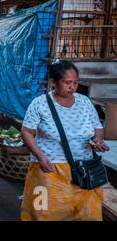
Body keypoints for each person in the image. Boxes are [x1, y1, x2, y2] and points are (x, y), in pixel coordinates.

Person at [20, 60, 109, 221]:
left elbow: (98, 128)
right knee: (45, 212)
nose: (72, 87)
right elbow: (26, 132)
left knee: (87, 213)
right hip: (50, 170)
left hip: (85, 171)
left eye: (75, 82)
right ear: (54, 82)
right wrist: (41, 158)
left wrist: (97, 141)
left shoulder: (84, 102)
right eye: (67, 82)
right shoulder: (40, 104)